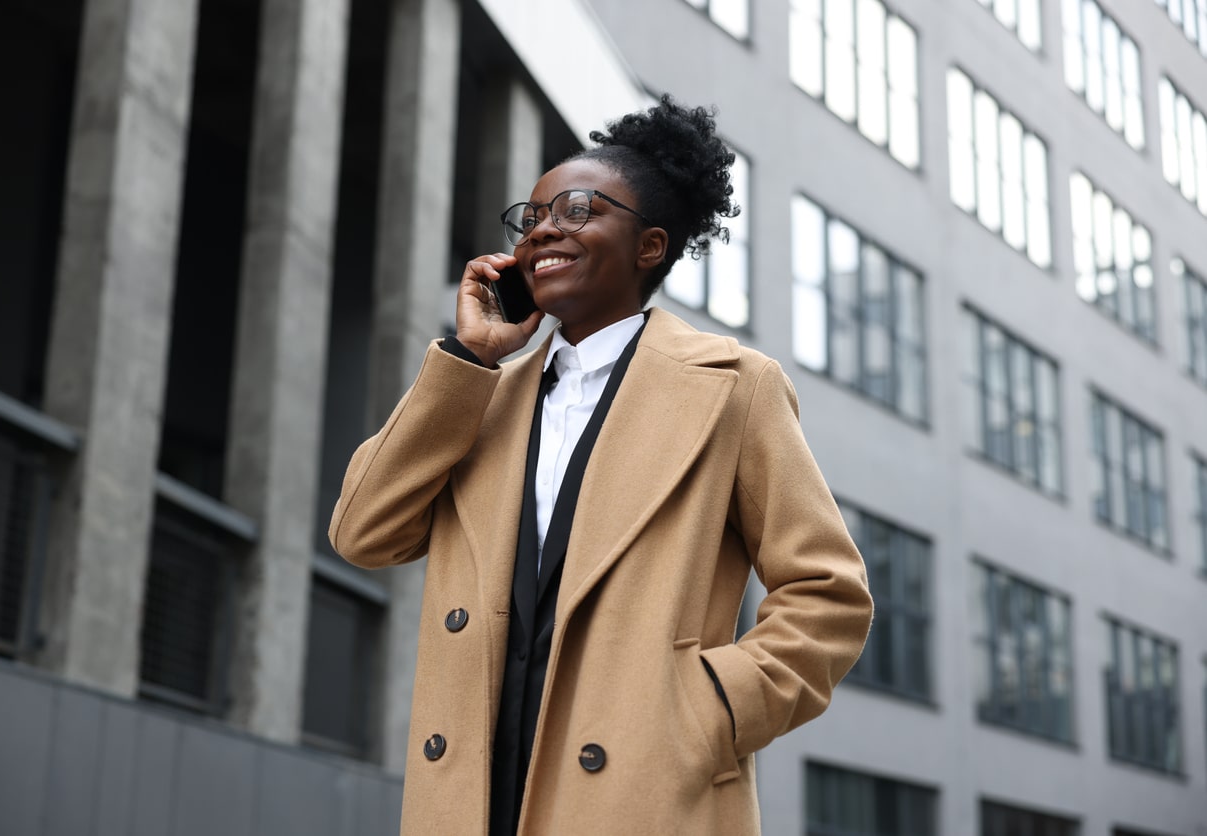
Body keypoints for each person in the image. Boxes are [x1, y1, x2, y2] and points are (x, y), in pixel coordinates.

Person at [329, 95, 873, 836]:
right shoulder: (478, 397)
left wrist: (707, 710)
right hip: (473, 796)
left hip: (641, 793)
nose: (545, 227)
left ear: (650, 245)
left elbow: (826, 594)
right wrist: (468, 360)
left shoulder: (733, 386)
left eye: (579, 208)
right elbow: (363, 533)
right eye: (533, 216)